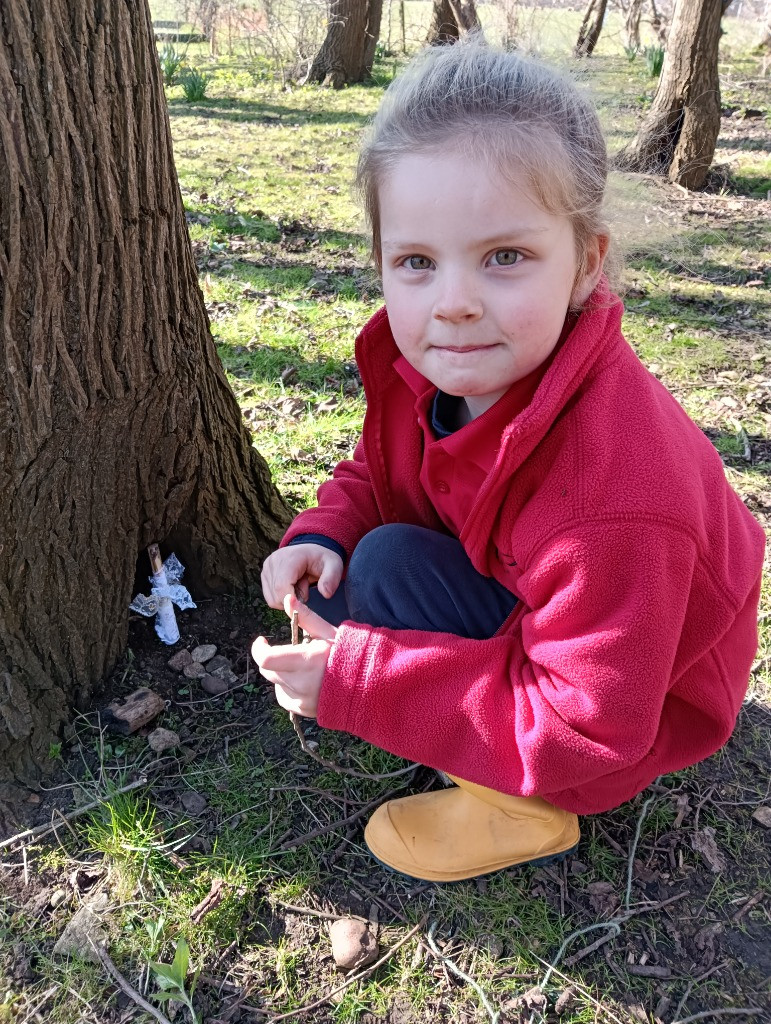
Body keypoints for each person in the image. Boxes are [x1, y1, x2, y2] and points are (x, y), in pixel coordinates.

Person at [252, 41, 766, 883]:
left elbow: (590, 722)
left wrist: (363, 684)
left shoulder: (612, 497)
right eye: (416, 262)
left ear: (585, 264)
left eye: (503, 257)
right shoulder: (457, 367)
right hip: (549, 616)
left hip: (623, 710)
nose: (452, 301)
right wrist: (329, 530)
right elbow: (383, 468)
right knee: (370, 564)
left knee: (382, 595)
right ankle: (473, 725)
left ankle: (522, 810)